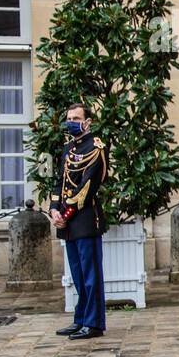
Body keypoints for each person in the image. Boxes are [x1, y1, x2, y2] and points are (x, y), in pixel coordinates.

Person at [51, 102, 108, 341]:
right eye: (69, 118)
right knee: (76, 275)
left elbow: (87, 186)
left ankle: (94, 323)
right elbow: (59, 181)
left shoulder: (96, 147)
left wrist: (65, 215)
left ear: (88, 122)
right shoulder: (67, 148)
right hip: (67, 222)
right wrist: (53, 208)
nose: (71, 122)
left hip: (85, 219)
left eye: (76, 118)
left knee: (90, 274)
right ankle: (81, 319)